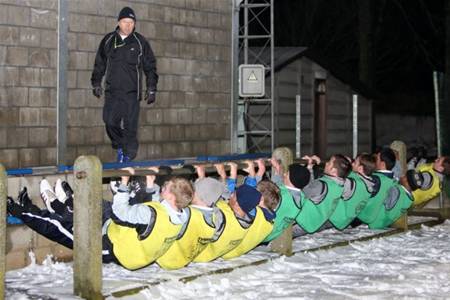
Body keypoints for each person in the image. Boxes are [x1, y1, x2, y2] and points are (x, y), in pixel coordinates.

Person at [91, 6, 158, 163]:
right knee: (109, 122)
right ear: (118, 22)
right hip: (112, 92)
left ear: (134, 24)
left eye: (131, 22)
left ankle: (127, 157)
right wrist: (96, 83)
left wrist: (152, 88)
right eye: (125, 22)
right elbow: (99, 63)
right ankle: (121, 146)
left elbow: (150, 66)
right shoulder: (108, 40)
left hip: (131, 94)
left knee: (130, 128)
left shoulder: (140, 42)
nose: (128, 25)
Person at [156, 165, 226, 270]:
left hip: (166, 258)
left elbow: (163, 205)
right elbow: (213, 192)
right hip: (184, 259)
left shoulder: (189, 214)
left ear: (197, 195)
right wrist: (203, 177)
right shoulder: (215, 216)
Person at [193, 162, 263, 263]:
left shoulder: (223, 218)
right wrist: (224, 175)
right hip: (212, 253)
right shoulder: (246, 217)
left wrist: (202, 177)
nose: (230, 196)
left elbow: (202, 203)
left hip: (199, 255)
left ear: (237, 204)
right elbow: (230, 195)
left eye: (233, 195)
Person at [328, 153, 377, 230]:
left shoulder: (354, 183)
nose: (352, 164)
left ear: (360, 169)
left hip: (335, 219)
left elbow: (332, 180)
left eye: (355, 163)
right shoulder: (369, 185)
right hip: (346, 221)